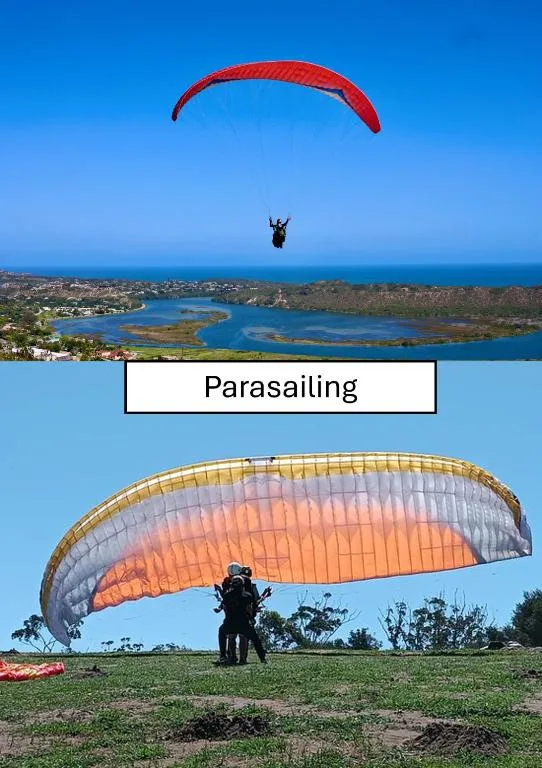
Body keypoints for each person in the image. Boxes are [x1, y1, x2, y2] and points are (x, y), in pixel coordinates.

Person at [218, 575, 266, 664]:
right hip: (243, 623)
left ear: (232, 584)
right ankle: (262, 658)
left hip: (230, 623)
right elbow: (249, 609)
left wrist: (227, 619)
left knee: (222, 632)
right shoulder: (247, 595)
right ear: (242, 585)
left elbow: (225, 608)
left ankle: (224, 656)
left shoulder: (227, 595)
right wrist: (250, 619)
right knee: (255, 639)